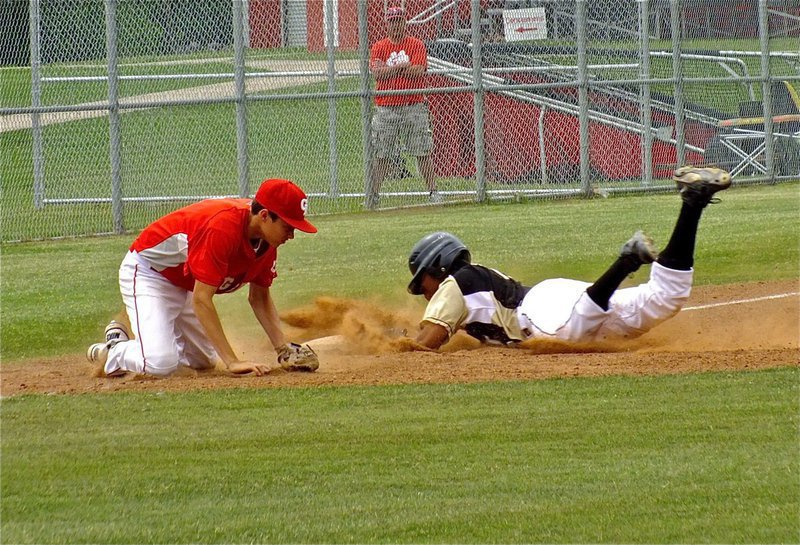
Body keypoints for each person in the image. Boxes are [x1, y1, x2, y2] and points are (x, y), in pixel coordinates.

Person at [405, 166, 732, 350]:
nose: (426, 295)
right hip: (558, 298)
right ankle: (693, 201)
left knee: (567, 336)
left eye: (423, 284)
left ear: (440, 266)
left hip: (537, 309)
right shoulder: (471, 282)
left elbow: (427, 343)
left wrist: (385, 349)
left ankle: (628, 260)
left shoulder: (454, 283)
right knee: (665, 298)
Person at [87, 178, 320, 377]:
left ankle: (159, 339)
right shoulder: (222, 228)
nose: (292, 235)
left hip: (184, 280)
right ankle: (114, 349)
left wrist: (283, 348)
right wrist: (232, 361)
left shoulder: (267, 241)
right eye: (289, 227)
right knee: (160, 363)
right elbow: (201, 299)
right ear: (265, 215)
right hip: (150, 273)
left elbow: (259, 298)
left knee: (204, 361)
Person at [366, 5, 440, 209]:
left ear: (404, 22)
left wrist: (392, 70)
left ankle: (433, 191)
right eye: (392, 21)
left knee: (422, 150)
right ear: (387, 24)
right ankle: (373, 195)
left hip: (413, 105)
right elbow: (378, 74)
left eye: (399, 20)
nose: (395, 25)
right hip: (386, 107)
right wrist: (401, 67)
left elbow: (418, 71)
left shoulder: (416, 44)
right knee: (381, 153)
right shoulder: (379, 46)